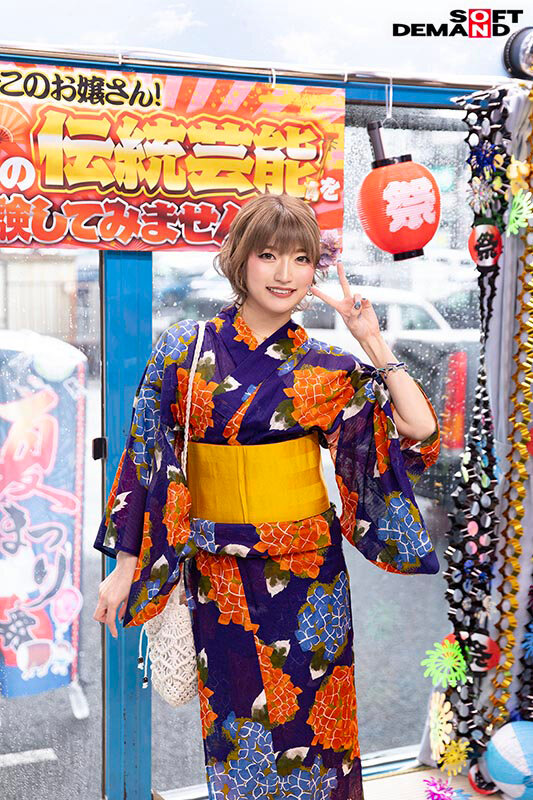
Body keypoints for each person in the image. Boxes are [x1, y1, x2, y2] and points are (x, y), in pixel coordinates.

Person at [93, 192, 440, 800]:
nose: (285, 273)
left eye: (301, 259)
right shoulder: (184, 349)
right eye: (269, 255)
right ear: (240, 259)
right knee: (239, 737)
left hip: (308, 577)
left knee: (318, 735)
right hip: (219, 571)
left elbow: (418, 430)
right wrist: (125, 566)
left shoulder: (328, 366)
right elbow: (147, 456)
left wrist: (371, 340)